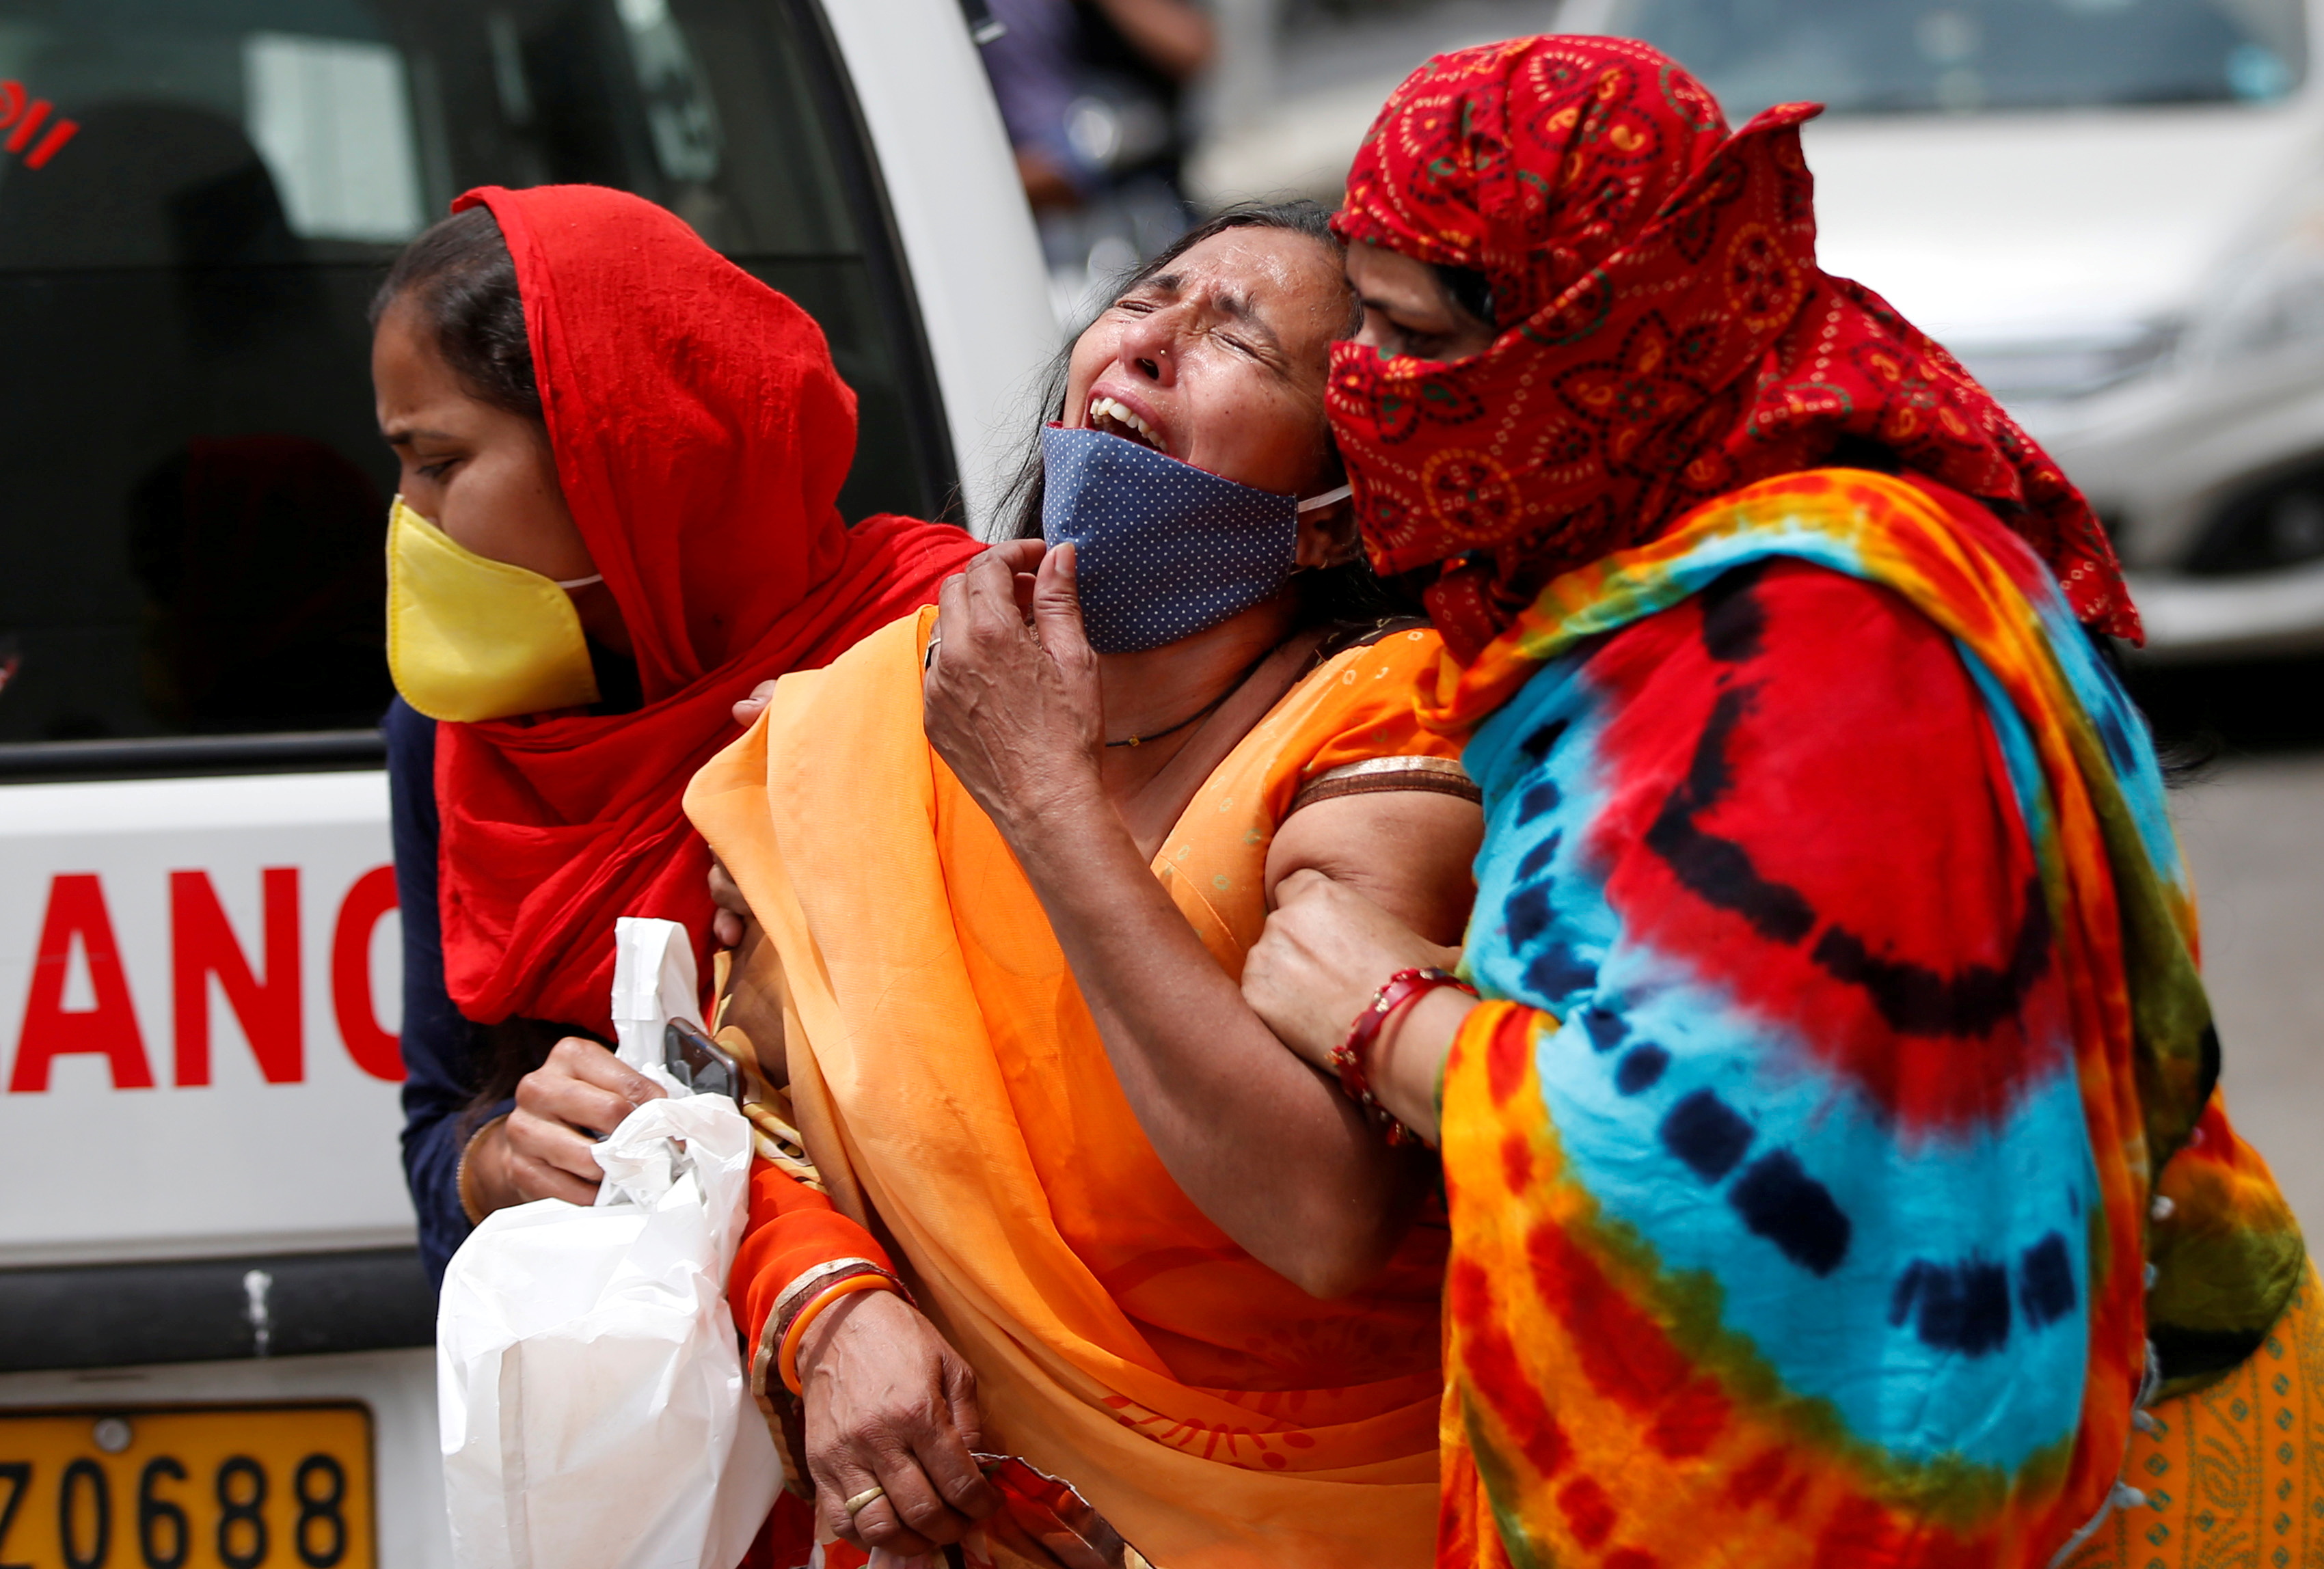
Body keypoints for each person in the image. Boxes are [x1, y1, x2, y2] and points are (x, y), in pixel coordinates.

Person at [1234, 36, 2319, 1568]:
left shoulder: (1819, 649)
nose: (1369, 392)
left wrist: (1375, 1013)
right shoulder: (1691, 562)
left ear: (1585, 344)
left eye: (1409, 339)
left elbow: (1743, 1172)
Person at [685, 202, 1485, 1567]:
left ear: (1335, 521)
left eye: (1236, 342)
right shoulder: (885, 708)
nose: (1150, 343)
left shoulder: (1378, 721)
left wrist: (1042, 800)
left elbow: (1323, 1216)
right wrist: (830, 1302)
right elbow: (734, 1104)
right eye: (1143, 299)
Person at [377, 185, 984, 1287]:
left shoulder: (931, 654)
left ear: (611, 445)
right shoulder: (452, 741)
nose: (408, 520)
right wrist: (504, 1162)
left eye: (439, 464)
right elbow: (434, 1142)